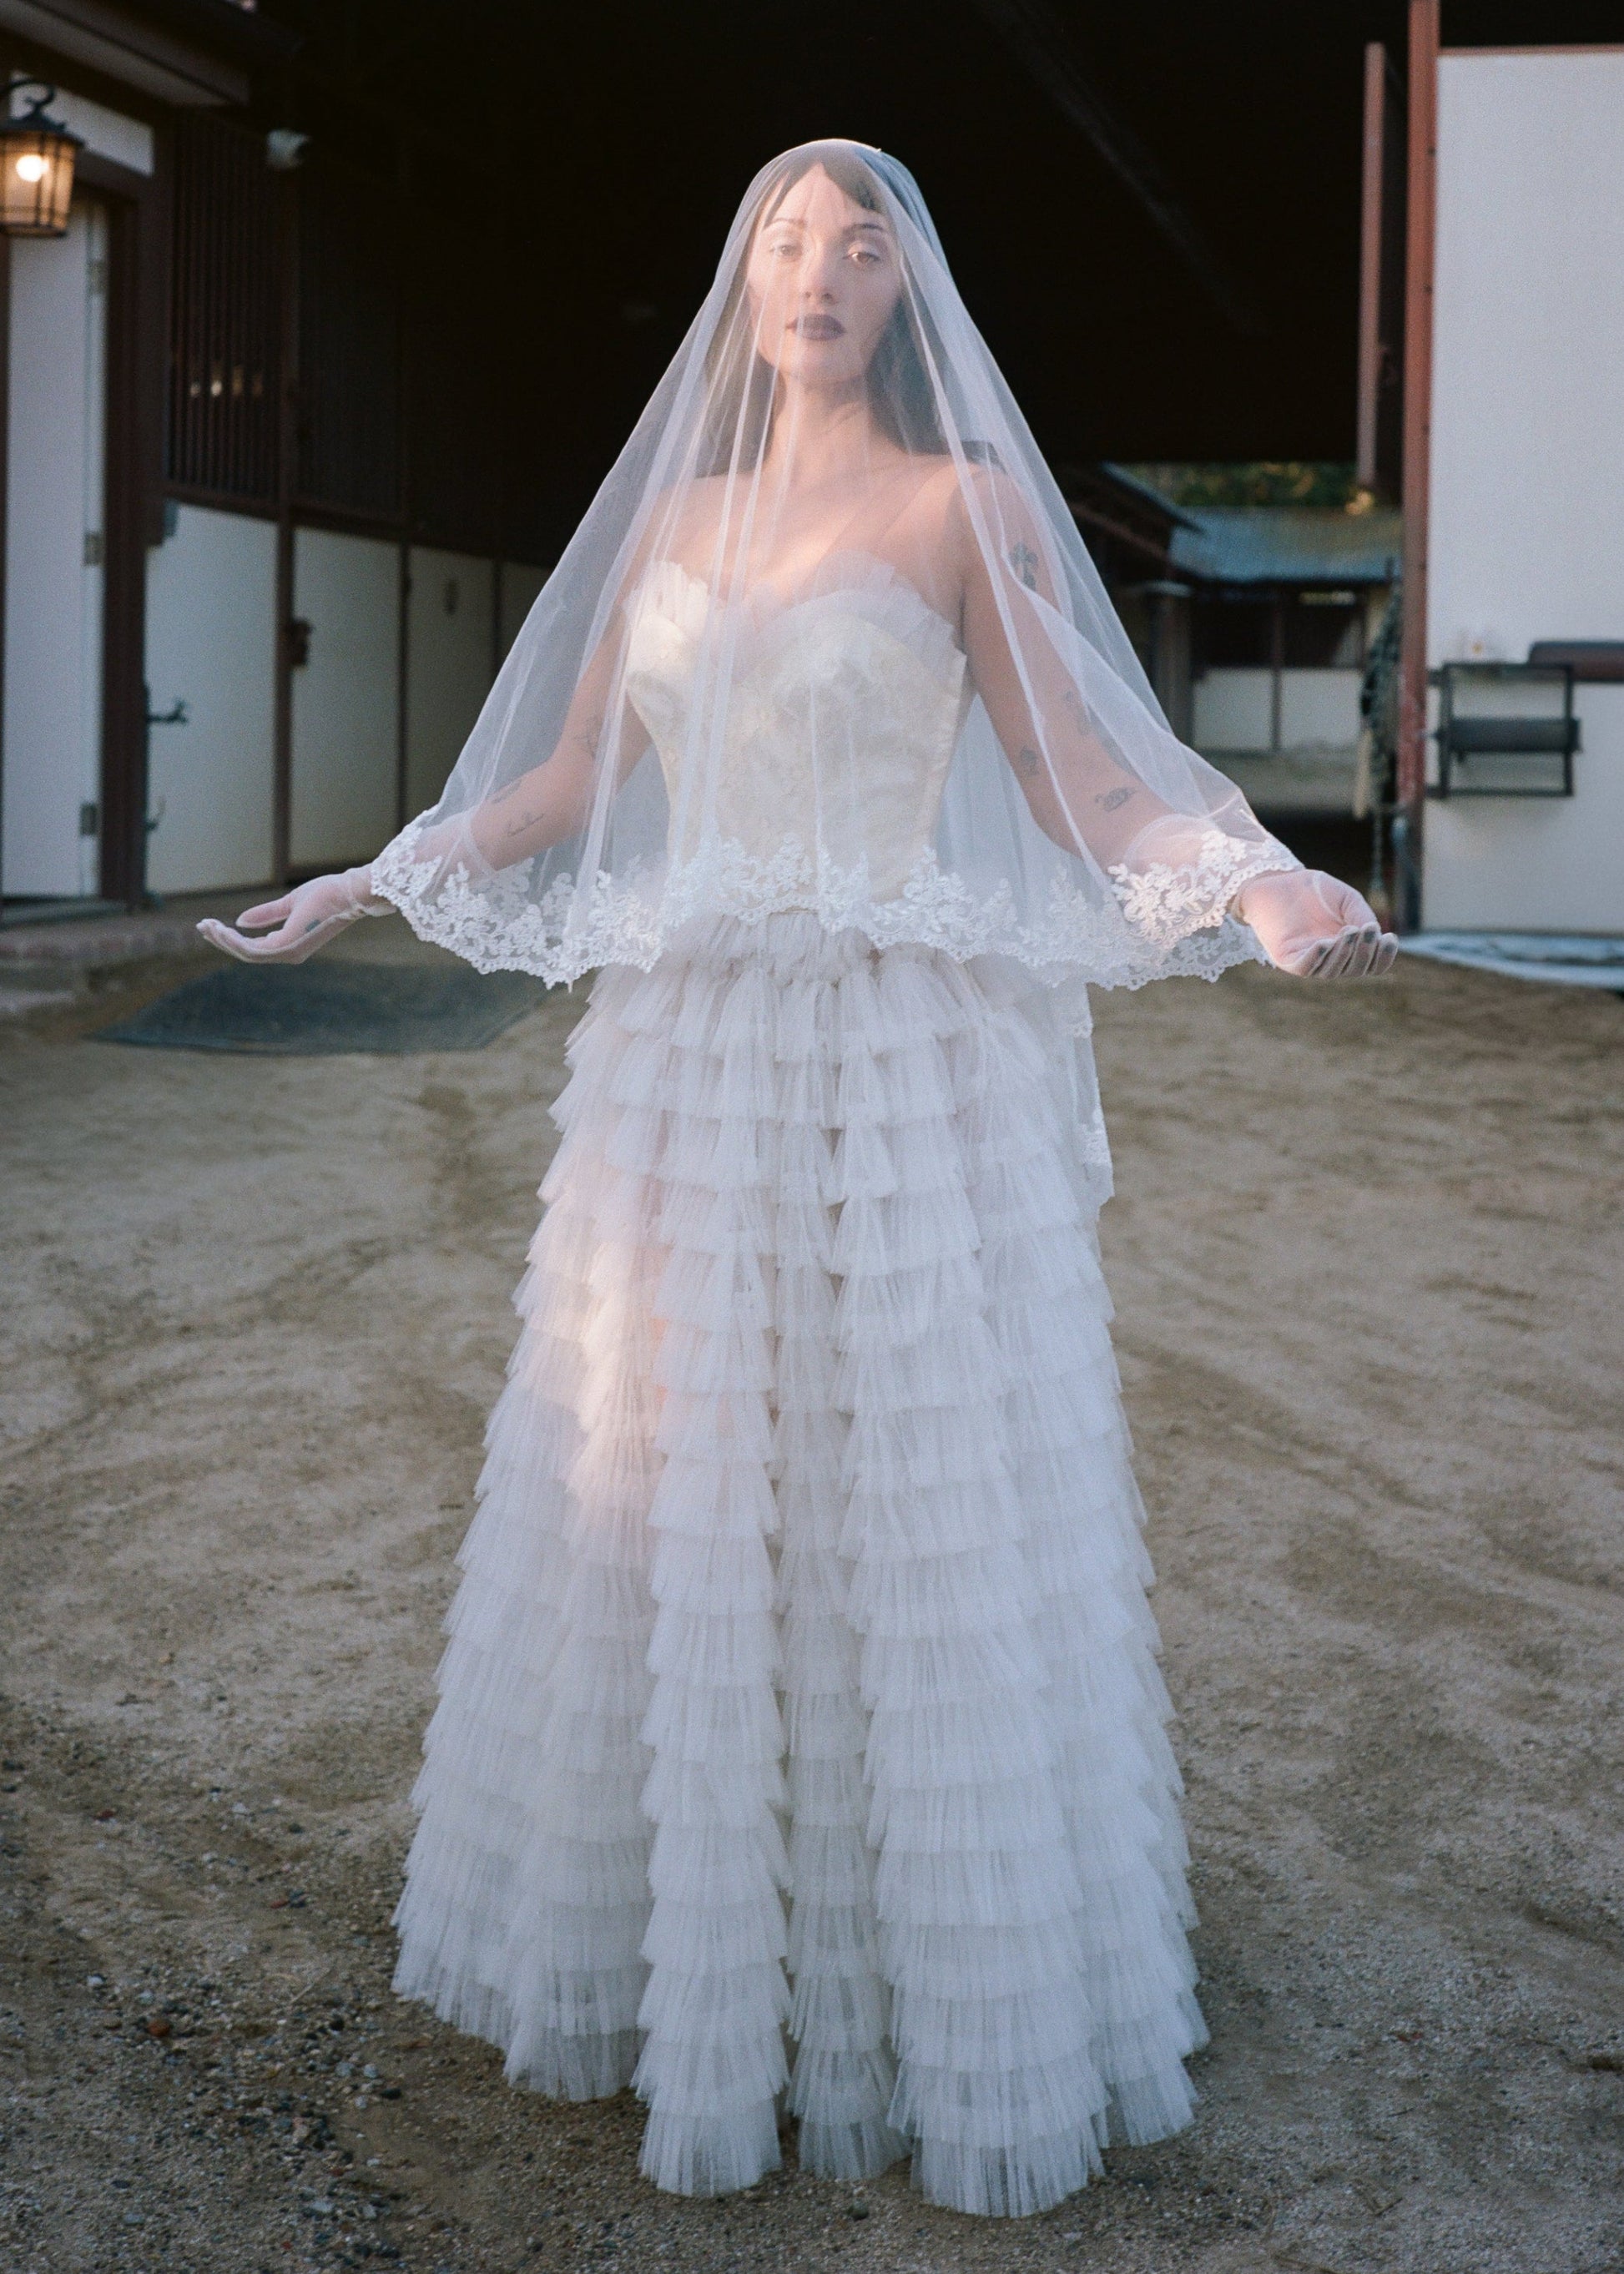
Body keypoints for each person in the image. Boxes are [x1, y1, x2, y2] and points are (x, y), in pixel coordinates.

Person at [202, 140, 1395, 2219]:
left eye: (861, 245)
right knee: (675, 1459)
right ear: (740, 287)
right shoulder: (673, 511)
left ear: (906, 292)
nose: (820, 272)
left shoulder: (965, 506)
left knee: (901, 1481)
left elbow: (1079, 775)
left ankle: (936, 1964)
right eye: (784, 242)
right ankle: (702, 1954)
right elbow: (572, 783)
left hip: (897, 1060)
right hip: (682, 1063)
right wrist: (375, 873)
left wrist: (1255, 878)